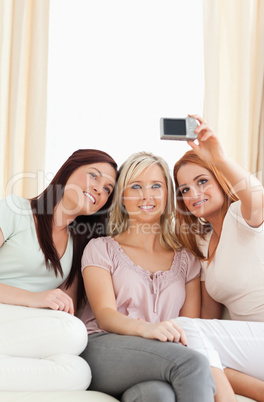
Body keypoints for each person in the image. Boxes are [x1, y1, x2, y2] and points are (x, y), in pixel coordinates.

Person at [80, 151, 219, 402]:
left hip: (163, 358)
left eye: (156, 186)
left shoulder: (187, 258)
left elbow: (188, 325)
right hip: (105, 349)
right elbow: (106, 315)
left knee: (158, 395)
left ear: (168, 195)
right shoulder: (101, 249)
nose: (147, 195)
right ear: (122, 197)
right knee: (194, 364)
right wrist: (148, 329)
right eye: (136, 186)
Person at [0, 149, 117, 391]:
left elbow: (66, 313)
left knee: (78, 372)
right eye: (94, 176)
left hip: (24, 331)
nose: (99, 189)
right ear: (68, 170)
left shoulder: (80, 244)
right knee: (73, 332)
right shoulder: (15, 209)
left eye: (107, 189)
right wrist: (33, 299)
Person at [173, 115, 264, 401]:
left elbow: (257, 195)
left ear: (221, 179)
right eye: (185, 190)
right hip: (250, 348)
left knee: (184, 328)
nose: (194, 194)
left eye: (202, 181)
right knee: (188, 344)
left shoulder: (242, 215)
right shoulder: (201, 243)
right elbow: (207, 322)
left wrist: (219, 157)